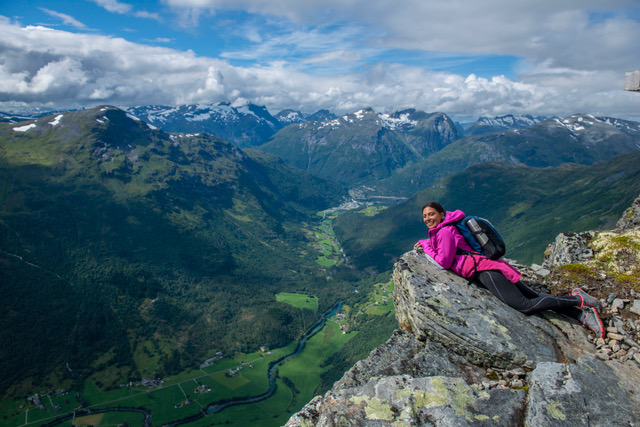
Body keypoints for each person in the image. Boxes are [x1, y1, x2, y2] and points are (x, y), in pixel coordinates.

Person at [414, 201, 605, 339]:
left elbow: (444, 262)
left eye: (431, 214)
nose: (427, 218)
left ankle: (579, 300)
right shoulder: (448, 227)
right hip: (487, 264)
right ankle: (581, 315)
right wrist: (429, 242)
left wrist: (425, 244)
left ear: (441, 214)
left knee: (524, 305)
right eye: (424, 216)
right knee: (533, 295)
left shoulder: (445, 231)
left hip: (483, 271)